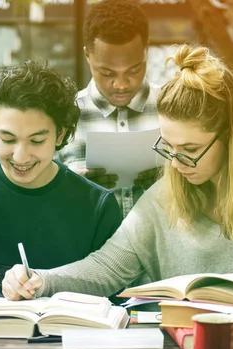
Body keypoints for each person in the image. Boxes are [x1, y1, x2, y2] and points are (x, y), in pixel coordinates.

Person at [2, 44, 233, 303]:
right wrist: (41, 280)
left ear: (232, 138)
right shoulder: (167, 192)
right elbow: (108, 267)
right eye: (168, 147)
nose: (174, 164)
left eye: (190, 151)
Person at [0, 61, 122, 304]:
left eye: (37, 141)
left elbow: (111, 296)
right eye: (8, 139)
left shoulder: (97, 206)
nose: (20, 156)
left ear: (60, 134)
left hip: (67, 338)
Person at [56, 0, 162, 218]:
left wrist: (171, 181)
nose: (121, 84)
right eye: (107, 73)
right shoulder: (64, 116)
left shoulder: (173, 108)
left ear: (146, 50)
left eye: (134, 70)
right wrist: (70, 186)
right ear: (87, 55)